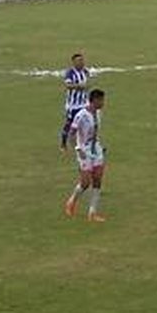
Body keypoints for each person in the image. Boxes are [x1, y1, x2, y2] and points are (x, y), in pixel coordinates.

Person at [64, 89, 107, 223]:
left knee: (98, 179)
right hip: (84, 150)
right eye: (101, 100)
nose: (103, 103)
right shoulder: (81, 115)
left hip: (96, 149)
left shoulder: (98, 113)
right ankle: (71, 201)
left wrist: (99, 146)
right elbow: (71, 134)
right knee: (85, 182)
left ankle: (92, 212)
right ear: (94, 100)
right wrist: (78, 149)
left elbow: (95, 131)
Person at [59, 52, 90, 151]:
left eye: (82, 60)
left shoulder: (85, 71)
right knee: (69, 124)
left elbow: (87, 82)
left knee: (87, 124)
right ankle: (63, 143)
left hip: (84, 104)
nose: (81, 62)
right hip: (73, 105)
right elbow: (68, 85)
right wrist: (79, 86)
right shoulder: (70, 73)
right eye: (79, 61)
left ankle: (87, 144)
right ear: (74, 62)